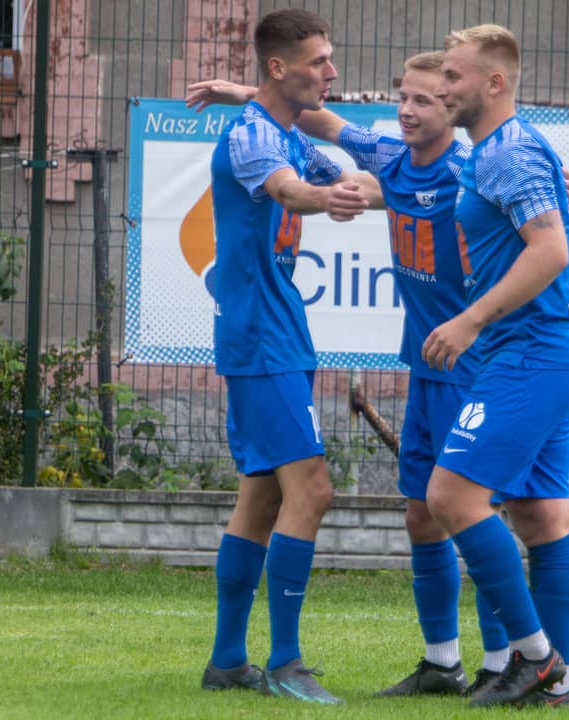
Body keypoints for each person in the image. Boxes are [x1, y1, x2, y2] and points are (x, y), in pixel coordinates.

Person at [187, 47, 569, 706]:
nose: (410, 108)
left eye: (428, 96)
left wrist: (565, 190)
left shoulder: (472, 167)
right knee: (423, 515)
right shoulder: (390, 158)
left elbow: (543, 215)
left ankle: (508, 663)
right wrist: (245, 92)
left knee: (479, 508)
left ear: (454, 107)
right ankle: (443, 663)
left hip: (473, 359)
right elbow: (320, 120)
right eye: (404, 96)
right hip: (426, 361)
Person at [196, 8, 374, 706]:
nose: (332, 71)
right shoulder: (252, 138)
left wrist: (433, 187)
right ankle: (286, 661)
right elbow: (286, 189)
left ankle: (227, 661)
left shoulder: (284, 129)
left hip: (279, 332)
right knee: (313, 489)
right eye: (319, 60)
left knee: (264, 494)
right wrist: (324, 197)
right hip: (260, 337)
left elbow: (346, 174)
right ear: (279, 67)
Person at [419, 24, 569, 708]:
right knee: (541, 516)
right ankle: (558, 686)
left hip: (529, 353)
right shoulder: (500, 150)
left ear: (494, 83)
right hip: (540, 352)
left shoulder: (508, 152)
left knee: (450, 498)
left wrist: (470, 319)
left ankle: (538, 660)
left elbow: (549, 251)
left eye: (452, 76)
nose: (441, 88)